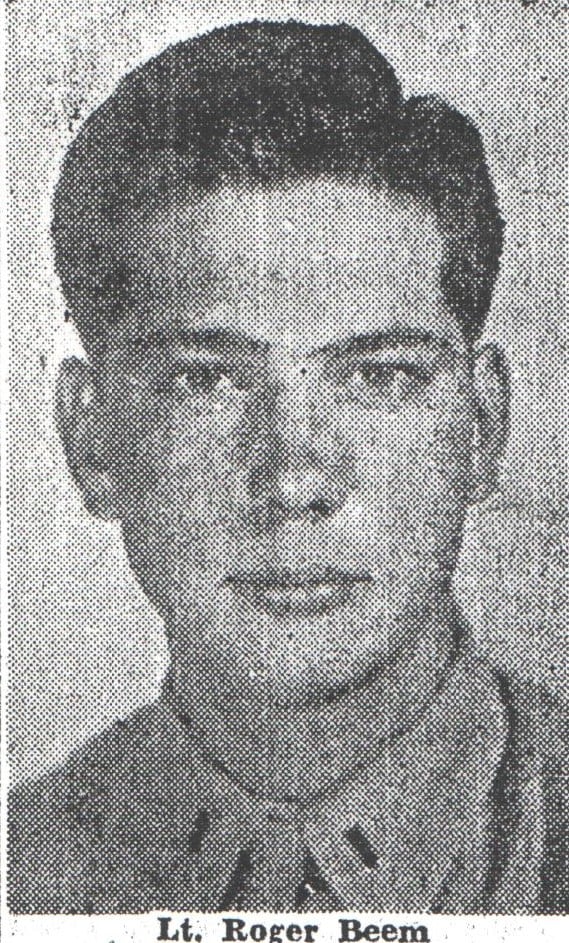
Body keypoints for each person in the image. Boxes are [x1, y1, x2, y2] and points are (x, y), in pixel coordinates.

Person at [9, 20, 567, 915]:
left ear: (483, 426)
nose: (294, 481)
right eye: (205, 379)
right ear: (90, 434)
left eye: (378, 376)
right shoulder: (20, 870)